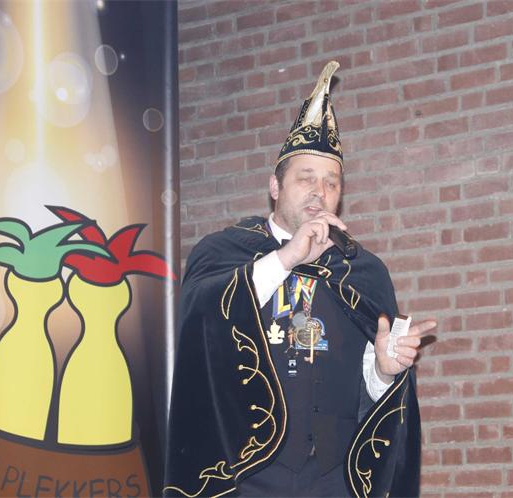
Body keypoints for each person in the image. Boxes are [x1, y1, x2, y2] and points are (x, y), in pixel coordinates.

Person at [164, 61, 436, 498]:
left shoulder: (363, 271)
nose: (319, 192)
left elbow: (372, 390)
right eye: (305, 179)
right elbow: (201, 323)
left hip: (333, 480)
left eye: (331, 183)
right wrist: (287, 257)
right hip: (242, 476)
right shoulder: (222, 253)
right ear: (275, 187)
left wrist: (384, 372)